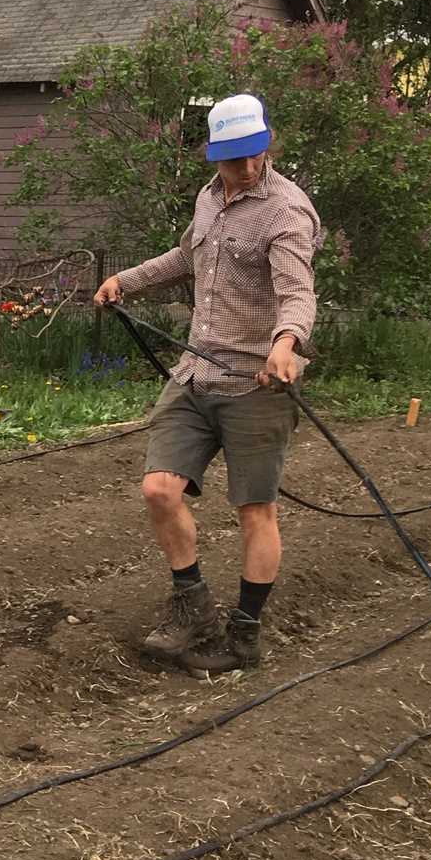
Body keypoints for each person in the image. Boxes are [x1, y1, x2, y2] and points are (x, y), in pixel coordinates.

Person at [92, 93, 321, 673]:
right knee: (158, 490)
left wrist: (285, 345)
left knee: (254, 511)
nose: (247, 167)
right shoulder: (208, 198)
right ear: (214, 155)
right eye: (234, 157)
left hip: (256, 384)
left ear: (268, 143)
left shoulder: (287, 211)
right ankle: (193, 608)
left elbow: (297, 292)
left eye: (255, 154)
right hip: (196, 375)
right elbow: (187, 254)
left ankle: (243, 638)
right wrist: (127, 279)